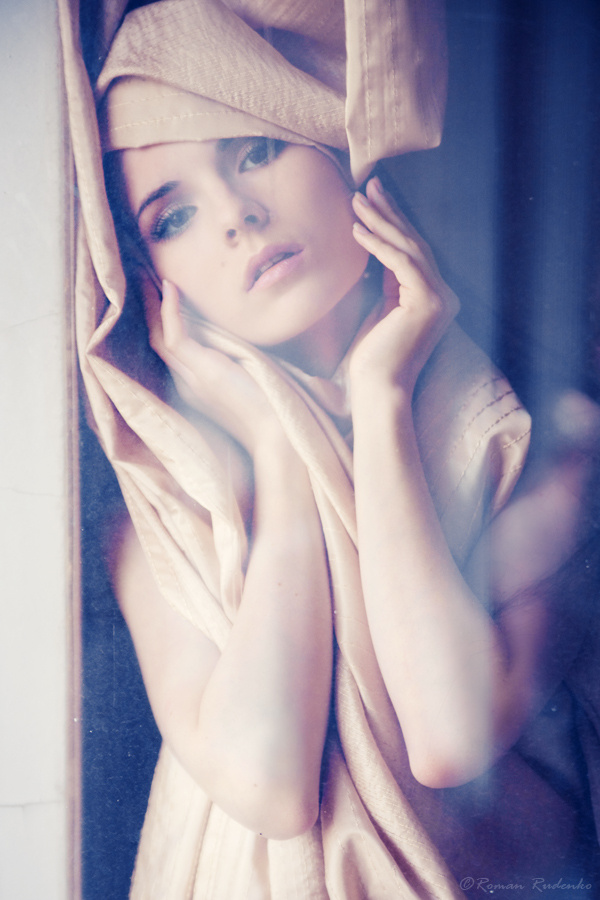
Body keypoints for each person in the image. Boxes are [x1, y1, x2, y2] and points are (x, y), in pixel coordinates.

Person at [60, 0, 599, 896]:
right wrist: (280, 450)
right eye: (173, 217)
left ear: (335, 148)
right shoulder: (161, 508)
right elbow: (270, 788)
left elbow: (449, 736)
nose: (235, 216)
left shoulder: (548, 450)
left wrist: (382, 399)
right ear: (155, 285)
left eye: (256, 151)